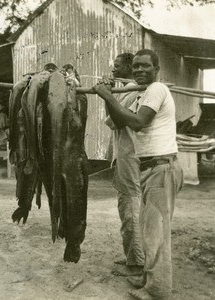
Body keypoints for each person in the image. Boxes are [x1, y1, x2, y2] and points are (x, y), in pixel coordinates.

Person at [93, 49, 183, 300]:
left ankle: (157, 291)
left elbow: (138, 122)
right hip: (152, 168)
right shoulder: (142, 92)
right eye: (136, 67)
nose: (139, 70)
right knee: (148, 231)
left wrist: (107, 96)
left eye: (145, 66)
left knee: (156, 235)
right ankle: (150, 279)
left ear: (157, 70)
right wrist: (108, 97)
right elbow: (120, 120)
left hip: (161, 169)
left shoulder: (156, 89)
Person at [105, 53, 145, 277]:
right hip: (124, 154)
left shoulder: (131, 90)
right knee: (125, 206)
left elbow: (113, 121)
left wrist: (107, 95)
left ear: (128, 67)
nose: (113, 70)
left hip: (131, 155)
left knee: (130, 207)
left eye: (117, 66)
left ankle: (137, 263)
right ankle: (132, 255)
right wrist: (108, 95)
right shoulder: (124, 90)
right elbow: (111, 117)